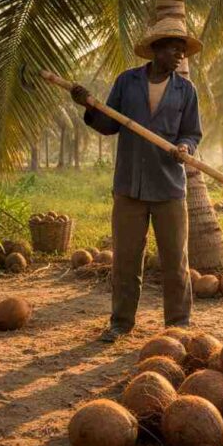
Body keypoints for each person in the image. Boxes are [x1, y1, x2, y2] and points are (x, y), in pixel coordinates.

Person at [70, 18, 203, 342]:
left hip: (169, 187)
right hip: (130, 186)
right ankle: (120, 323)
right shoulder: (127, 82)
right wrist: (88, 106)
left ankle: (178, 324)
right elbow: (109, 124)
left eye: (182, 51)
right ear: (156, 48)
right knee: (127, 260)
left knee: (175, 260)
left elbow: (192, 132)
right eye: (174, 48)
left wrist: (184, 146)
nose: (179, 55)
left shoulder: (186, 90)